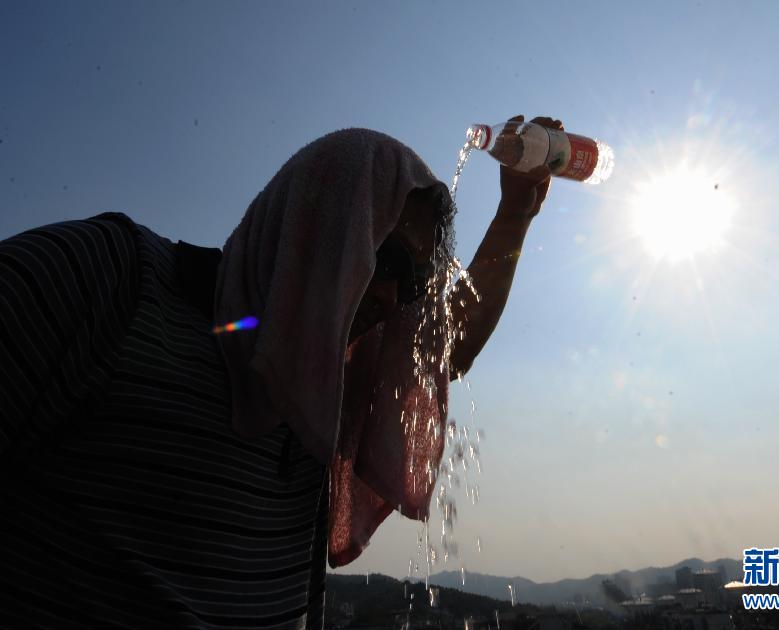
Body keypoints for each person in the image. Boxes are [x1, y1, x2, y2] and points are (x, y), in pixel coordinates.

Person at [0, 115, 562, 629]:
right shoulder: (104, 280)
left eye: (412, 283)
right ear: (310, 224)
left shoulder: (326, 384)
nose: (393, 298)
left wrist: (515, 213)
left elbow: (447, 349)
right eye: (380, 258)